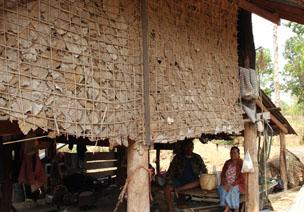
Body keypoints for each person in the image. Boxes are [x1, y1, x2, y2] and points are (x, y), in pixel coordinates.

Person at [164, 139, 207, 212]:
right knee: (167, 189)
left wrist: (203, 177)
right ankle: (171, 209)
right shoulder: (178, 158)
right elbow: (170, 171)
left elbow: (204, 170)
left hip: (192, 182)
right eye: (187, 147)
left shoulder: (197, 158)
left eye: (191, 147)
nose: (189, 148)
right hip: (179, 180)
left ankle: (178, 190)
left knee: (199, 182)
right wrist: (169, 181)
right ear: (183, 148)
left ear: (193, 147)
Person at [219, 146, 245, 212]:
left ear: (238, 154)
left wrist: (232, 184)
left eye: (234, 153)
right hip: (227, 183)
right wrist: (224, 183)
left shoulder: (241, 163)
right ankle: (228, 208)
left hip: (238, 184)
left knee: (233, 190)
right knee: (221, 189)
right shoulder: (227, 162)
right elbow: (222, 174)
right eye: (231, 153)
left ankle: (235, 209)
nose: (232, 154)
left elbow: (242, 177)